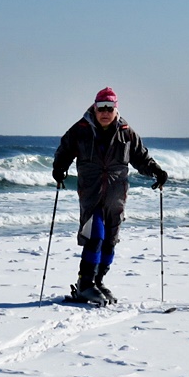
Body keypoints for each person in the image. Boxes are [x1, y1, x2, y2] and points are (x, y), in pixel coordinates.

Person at [52, 87, 168, 304]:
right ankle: (85, 284)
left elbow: (141, 158)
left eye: (109, 108)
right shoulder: (80, 129)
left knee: (110, 241)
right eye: (101, 108)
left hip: (116, 195)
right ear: (95, 108)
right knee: (95, 235)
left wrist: (156, 171)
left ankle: (98, 281)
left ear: (116, 109)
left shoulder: (126, 132)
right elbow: (64, 150)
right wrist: (59, 168)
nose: (105, 112)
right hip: (91, 193)